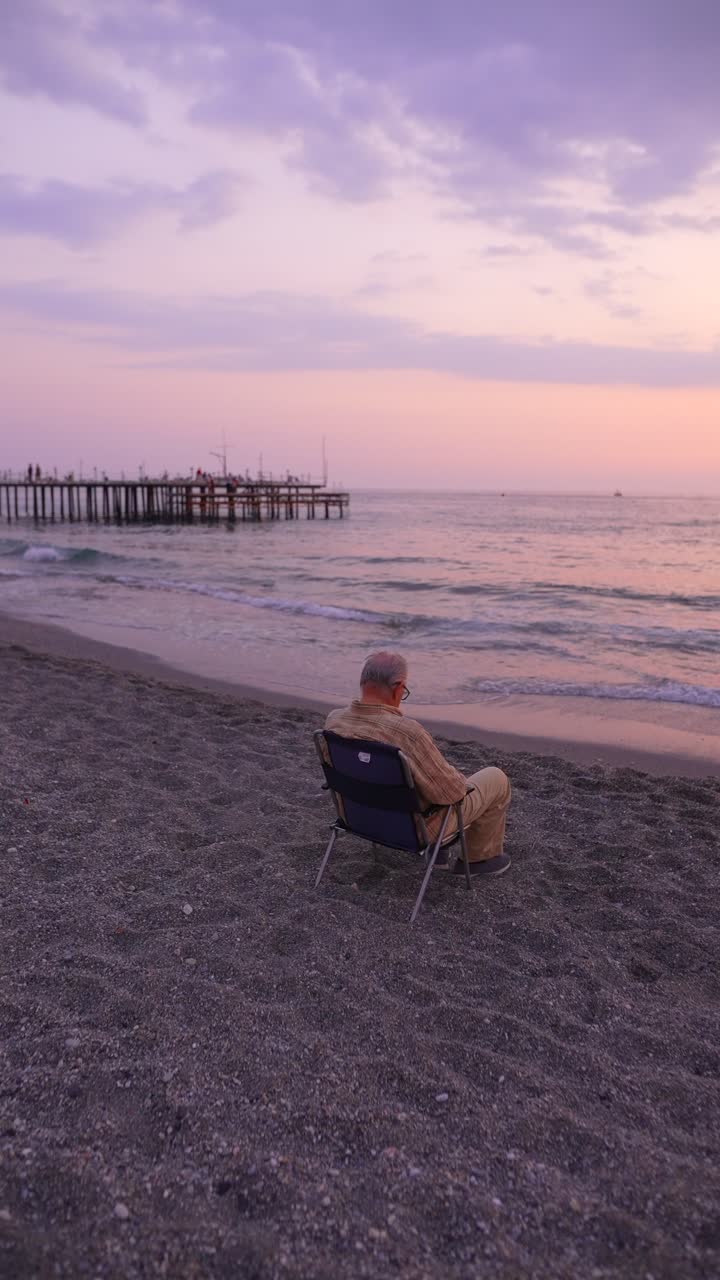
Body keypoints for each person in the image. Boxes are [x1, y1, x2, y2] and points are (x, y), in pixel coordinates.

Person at [325, 651, 511, 876]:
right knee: (495, 778)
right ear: (398, 687)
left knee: (420, 777)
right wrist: (459, 780)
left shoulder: (333, 722)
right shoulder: (407, 733)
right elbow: (452, 794)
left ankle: (439, 852)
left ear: (363, 682)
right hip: (415, 829)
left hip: (357, 818)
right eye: (404, 691)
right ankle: (479, 860)